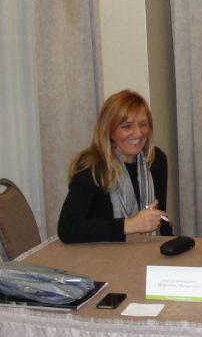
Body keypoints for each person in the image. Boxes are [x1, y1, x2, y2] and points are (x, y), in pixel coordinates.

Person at [58, 90, 172, 243]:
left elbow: (160, 219)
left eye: (143, 124)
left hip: (146, 249)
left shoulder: (156, 160)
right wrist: (129, 225)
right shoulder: (91, 167)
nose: (138, 133)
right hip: (101, 253)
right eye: (127, 126)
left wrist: (173, 244)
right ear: (110, 131)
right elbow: (67, 228)